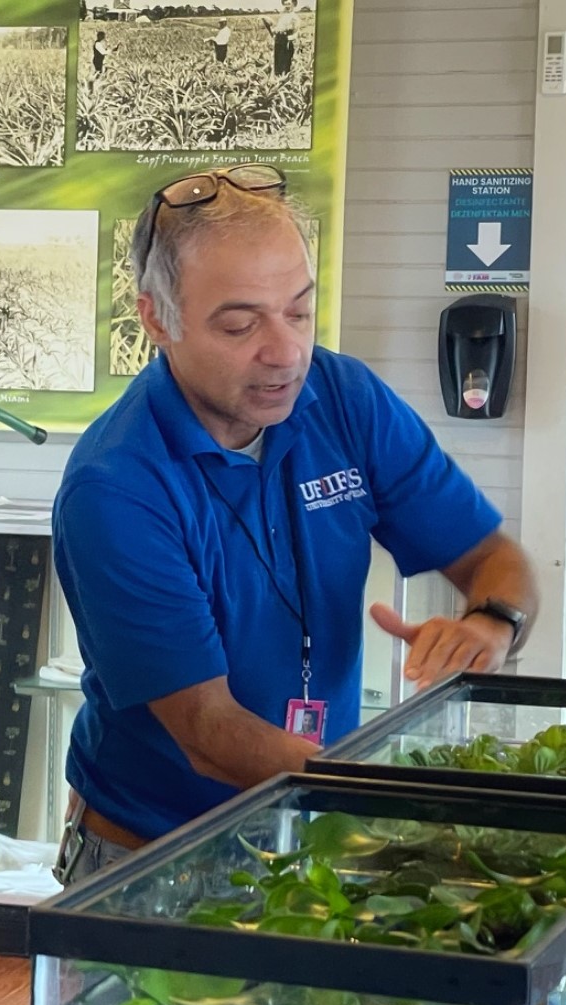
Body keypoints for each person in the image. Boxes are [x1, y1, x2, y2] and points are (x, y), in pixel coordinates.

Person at [52, 165, 538, 882]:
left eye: (301, 311)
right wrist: (391, 808)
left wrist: (490, 625)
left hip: (313, 834)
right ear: (157, 317)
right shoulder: (116, 486)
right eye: (241, 323)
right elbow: (208, 734)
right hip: (155, 862)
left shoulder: (345, 399)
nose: (284, 352)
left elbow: (495, 559)